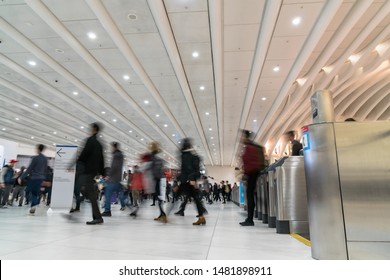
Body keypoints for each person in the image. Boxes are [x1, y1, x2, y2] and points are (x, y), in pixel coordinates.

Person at [76, 122, 105, 225]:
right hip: (93, 172)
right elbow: (102, 159)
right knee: (89, 192)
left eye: (91, 128)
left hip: (87, 171)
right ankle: (97, 217)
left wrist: (77, 162)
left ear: (94, 129)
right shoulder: (99, 144)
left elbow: (84, 154)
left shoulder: (90, 141)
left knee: (86, 190)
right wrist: (102, 172)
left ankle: (98, 217)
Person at [240, 130, 265, 226]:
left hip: (252, 174)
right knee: (250, 196)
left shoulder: (250, 147)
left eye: (242, 136)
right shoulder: (251, 146)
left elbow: (250, 163)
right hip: (253, 174)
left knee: (250, 196)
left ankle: (250, 219)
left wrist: (246, 174)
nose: (241, 138)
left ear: (246, 137)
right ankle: (249, 218)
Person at [178, 138, 206, 225]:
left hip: (187, 181)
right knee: (195, 198)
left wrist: (190, 179)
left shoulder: (187, 156)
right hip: (188, 180)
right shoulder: (186, 155)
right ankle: (201, 216)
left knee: (177, 195)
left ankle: (165, 215)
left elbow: (187, 170)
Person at [21, 145, 48, 214]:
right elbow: (45, 170)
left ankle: (34, 203)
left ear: (38, 149)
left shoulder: (35, 158)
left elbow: (30, 168)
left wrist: (21, 177)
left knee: (28, 191)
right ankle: (34, 204)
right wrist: (45, 179)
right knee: (36, 193)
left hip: (33, 178)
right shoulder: (45, 159)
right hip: (41, 178)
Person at [102, 142, 125, 216]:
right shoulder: (120, 155)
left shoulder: (116, 155)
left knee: (107, 194)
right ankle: (129, 206)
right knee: (120, 194)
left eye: (111, 147)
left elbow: (114, 167)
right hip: (118, 179)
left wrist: (108, 175)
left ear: (114, 147)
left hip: (113, 179)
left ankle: (107, 210)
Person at [148, 141, 167, 223]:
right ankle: (162, 214)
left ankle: (163, 214)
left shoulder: (153, 158)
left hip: (156, 180)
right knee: (157, 197)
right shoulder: (157, 158)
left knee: (158, 197)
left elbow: (153, 170)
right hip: (158, 179)